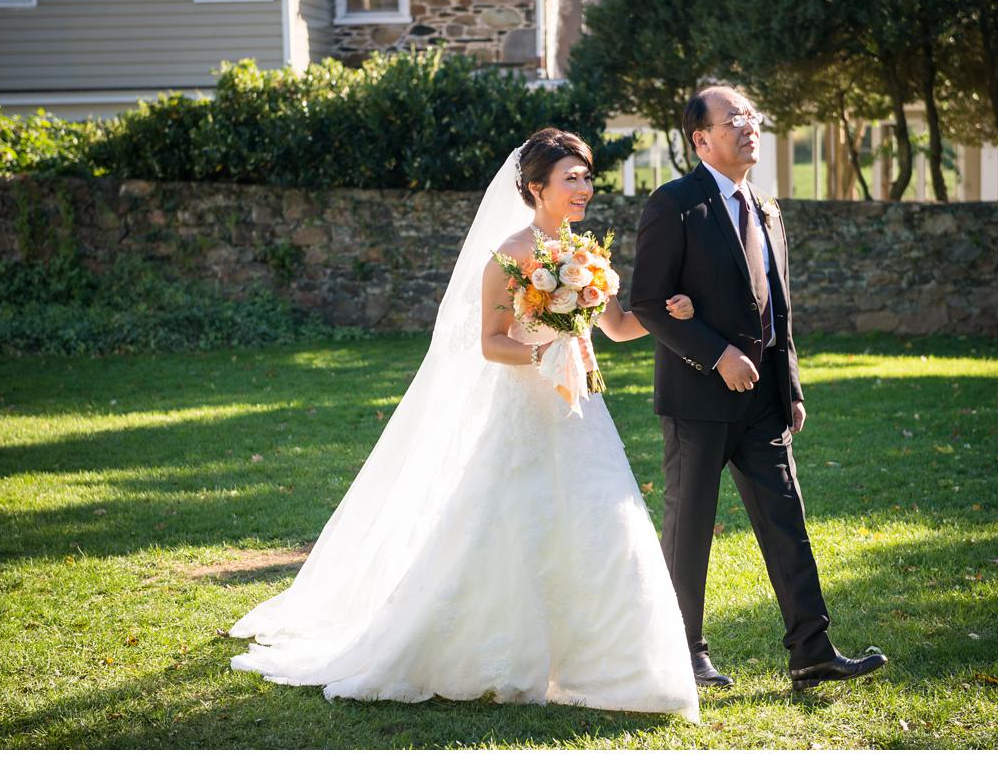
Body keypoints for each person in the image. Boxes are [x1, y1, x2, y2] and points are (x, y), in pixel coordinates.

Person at [230, 129, 702, 719]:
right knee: (507, 519)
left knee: (600, 517)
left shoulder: (587, 253)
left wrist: (666, 314)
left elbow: (617, 326)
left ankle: (611, 662)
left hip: (579, 410)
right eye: (571, 178)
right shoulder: (510, 254)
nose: (584, 187)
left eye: (586, 177)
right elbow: (490, 343)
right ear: (537, 188)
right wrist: (543, 353)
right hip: (526, 409)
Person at [629, 86, 885, 691]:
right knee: (689, 531)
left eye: (752, 116)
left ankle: (812, 650)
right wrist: (717, 355)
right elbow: (646, 303)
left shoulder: (766, 207)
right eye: (734, 118)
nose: (749, 126)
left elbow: (781, 308)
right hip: (697, 400)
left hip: (765, 400)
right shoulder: (674, 204)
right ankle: (685, 654)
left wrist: (790, 385)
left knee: (786, 521)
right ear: (700, 139)